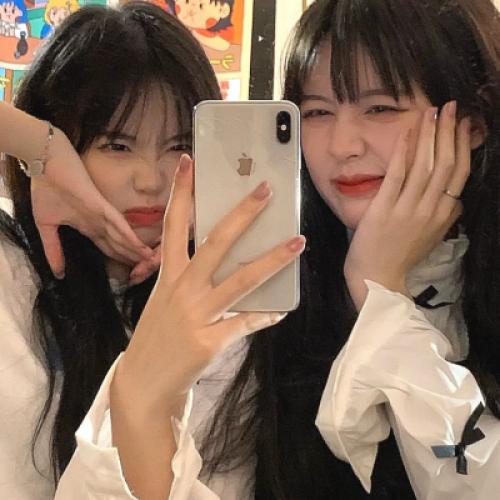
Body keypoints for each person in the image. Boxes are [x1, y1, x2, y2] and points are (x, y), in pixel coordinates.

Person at [51, 0, 500, 499]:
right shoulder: (273, 292)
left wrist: (380, 289)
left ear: (474, 121)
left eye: (380, 108)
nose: (342, 145)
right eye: (317, 112)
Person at [0, 2, 264, 497]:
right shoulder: (11, 275)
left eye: (180, 145)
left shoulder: (229, 309)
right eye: (117, 146)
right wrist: (36, 144)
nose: (152, 180)